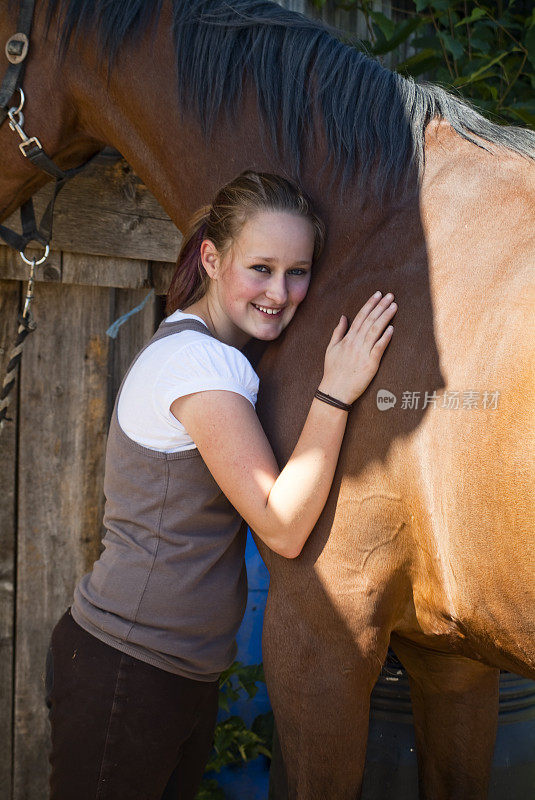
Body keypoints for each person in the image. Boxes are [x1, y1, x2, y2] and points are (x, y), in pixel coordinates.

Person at [45, 170, 397, 800]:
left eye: (298, 272)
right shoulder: (197, 364)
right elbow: (282, 524)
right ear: (210, 258)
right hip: (127, 669)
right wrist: (337, 392)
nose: (280, 292)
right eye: (260, 267)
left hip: (176, 674)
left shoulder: (220, 357)